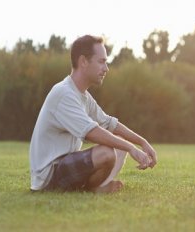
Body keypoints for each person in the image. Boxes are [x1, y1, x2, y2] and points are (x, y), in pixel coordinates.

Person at [29, 35, 157, 193]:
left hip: (66, 164)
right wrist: (132, 148)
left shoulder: (82, 95)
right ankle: (94, 189)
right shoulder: (64, 93)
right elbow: (91, 132)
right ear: (83, 61)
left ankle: (96, 187)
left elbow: (109, 123)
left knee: (119, 143)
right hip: (49, 176)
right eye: (101, 61)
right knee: (107, 153)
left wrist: (142, 142)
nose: (106, 68)